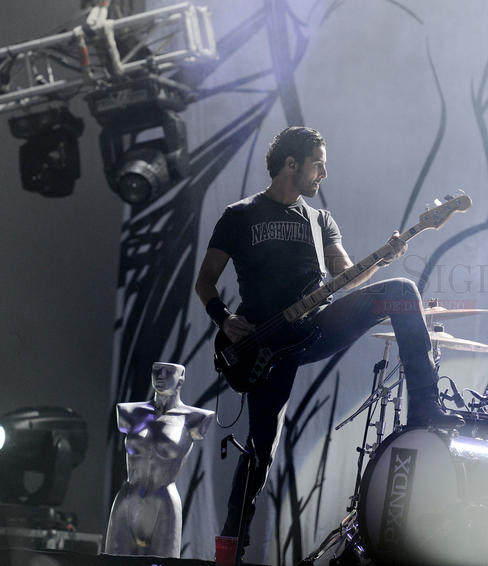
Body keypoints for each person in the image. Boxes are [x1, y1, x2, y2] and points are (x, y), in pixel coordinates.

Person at [194, 126, 461, 547]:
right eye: (318, 164)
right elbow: (205, 281)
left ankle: (425, 407)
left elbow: (346, 276)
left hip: (316, 326)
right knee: (260, 450)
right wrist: (224, 319)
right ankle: (231, 545)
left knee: (401, 291)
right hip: (262, 345)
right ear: (291, 163)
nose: (324, 173)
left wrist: (384, 257)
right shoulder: (240, 215)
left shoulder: (320, 221)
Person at [105, 362, 214, 557]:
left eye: (169, 371)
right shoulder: (129, 412)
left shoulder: (195, 418)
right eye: (156, 370)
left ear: (181, 377)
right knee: (113, 562)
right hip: (128, 499)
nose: (161, 375)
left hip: (163, 503)